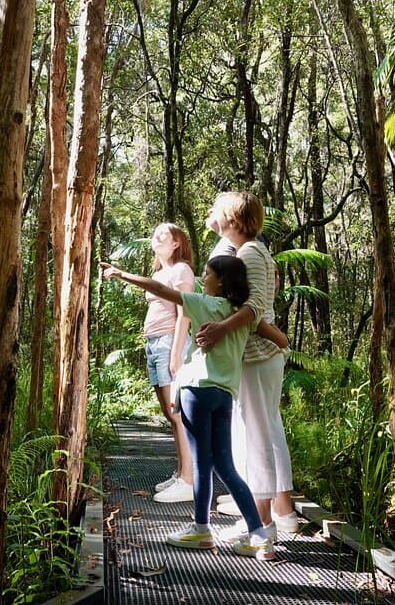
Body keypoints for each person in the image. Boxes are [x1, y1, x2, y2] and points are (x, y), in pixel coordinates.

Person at [100, 256, 280, 560]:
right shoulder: (243, 315)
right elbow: (280, 339)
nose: (202, 279)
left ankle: (201, 530)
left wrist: (122, 274)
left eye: (207, 275)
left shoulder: (203, 304)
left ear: (220, 282)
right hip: (224, 395)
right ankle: (259, 535)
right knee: (225, 466)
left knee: (201, 464)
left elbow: (160, 288)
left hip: (197, 391)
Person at [197, 192, 300, 538]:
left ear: (235, 219)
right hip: (259, 355)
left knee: (255, 435)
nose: (214, 215)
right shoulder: (248, 251)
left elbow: (254, 307)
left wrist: (219, 329)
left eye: (219, 210)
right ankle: (276, 515)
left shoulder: (251, 252)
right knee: (266, 431)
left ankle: (262, 521)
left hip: (257, 355)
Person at [142, 223, 196, 503]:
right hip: (153, 344)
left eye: (165, 234)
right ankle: (181, 472)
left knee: (177, 412)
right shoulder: (159, 273)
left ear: (177, 242)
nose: (157, 236)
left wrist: (176, 354)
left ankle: (189, 480)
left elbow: (184, 313)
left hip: (168, 344)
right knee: (168, 411)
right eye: (156, 233)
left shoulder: (181, 270)